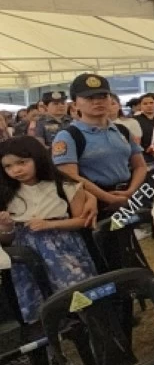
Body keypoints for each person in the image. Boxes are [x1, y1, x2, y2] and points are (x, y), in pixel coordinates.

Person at [0, 136, 99, 323]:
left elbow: (81, 220)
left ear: (37, 158)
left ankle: (93, 331)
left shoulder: (64, 185)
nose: (16, 170)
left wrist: (51, 224)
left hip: (64, 249)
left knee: (79, 294)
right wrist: (5, 226)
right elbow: (6, 239)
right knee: (38, 299)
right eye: (8, 166)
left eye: (22, 162)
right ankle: (52, 337)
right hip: (26, 256)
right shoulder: (7, 193)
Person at [52, 74, 147, 224]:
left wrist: (130, 191)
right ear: (75, 104)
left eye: (103, 96)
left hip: (126, 196)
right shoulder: (68, 136)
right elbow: (69, 176)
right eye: (89, 98)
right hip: (94, 203)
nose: (97, 101)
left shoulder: (122, 130)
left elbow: (140, 166)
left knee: (128, 243)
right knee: (103, 244)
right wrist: (109, 198)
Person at [131, 93, 154, 166]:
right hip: (143, 156)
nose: (149, 105)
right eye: (145, 104)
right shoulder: (134, 120)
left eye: (151, 103)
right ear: (140, 106)